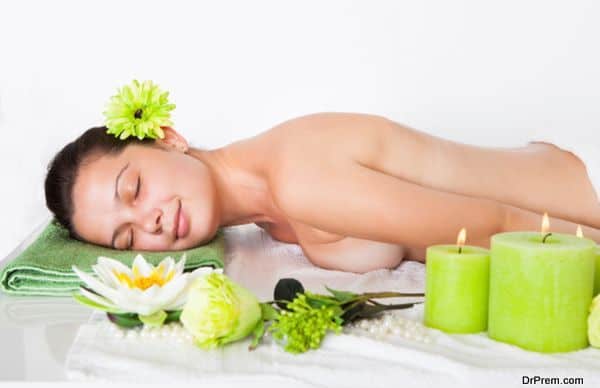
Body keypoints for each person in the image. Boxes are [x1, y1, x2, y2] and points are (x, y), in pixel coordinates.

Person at [44, 112, 600, 273]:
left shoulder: (294, 174)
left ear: (168, 139)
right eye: (126, 237)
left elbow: (501, 225)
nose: (151, 224)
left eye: (134, 189)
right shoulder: (267, 213)